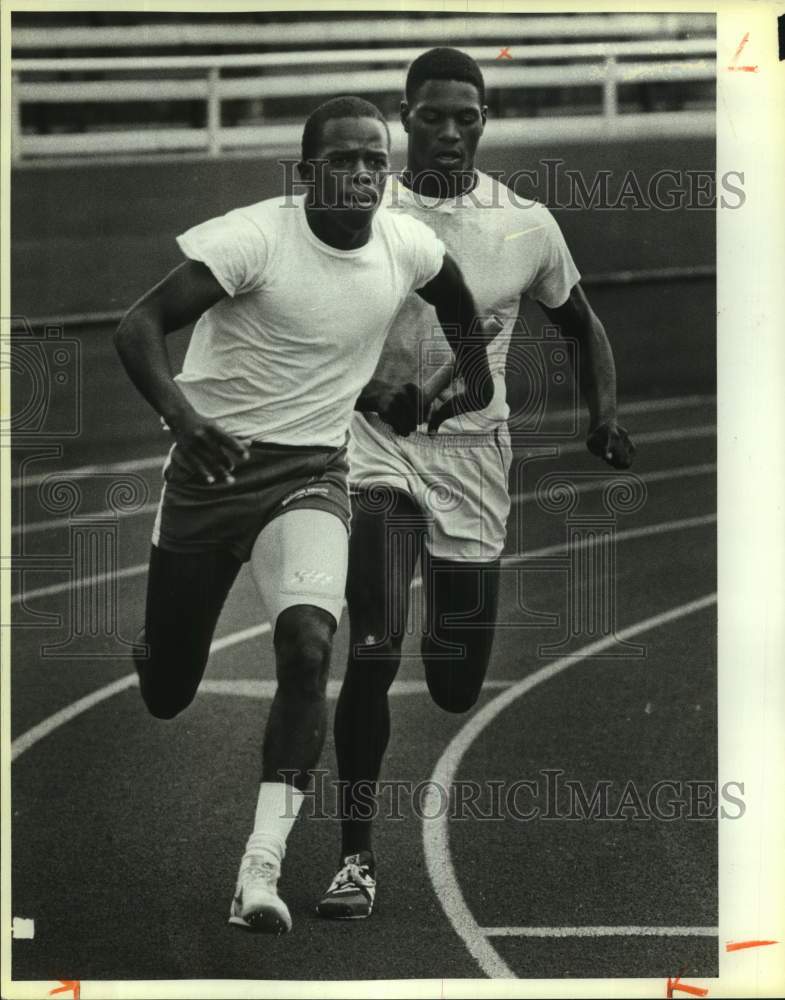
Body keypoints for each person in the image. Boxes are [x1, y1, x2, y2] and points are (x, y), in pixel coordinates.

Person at [113, 95, 492, 935]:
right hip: (213, 473)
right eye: (341, 161)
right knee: (168, 689)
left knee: (309, 643)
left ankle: (261, 866)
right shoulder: (251, 238)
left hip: (312, 478)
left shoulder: (407, 243)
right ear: (306, 172)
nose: (360, 174)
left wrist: (454, 386)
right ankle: (158, 640)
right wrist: (184, 419)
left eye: (373, 161)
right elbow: (137, 326)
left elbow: (465, 312)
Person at [316, 49, 635, 920]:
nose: (450, 132)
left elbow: (583, 325)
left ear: (484, 121)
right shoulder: (360, 212)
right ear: (403, 116)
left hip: (471, 461)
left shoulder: (525, 226)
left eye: (467, 116)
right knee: (373, 647)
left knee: (455, 680)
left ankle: (440, 639)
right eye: (431, 116)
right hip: (371, 447)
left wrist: (599, 415)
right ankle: (354, 860)